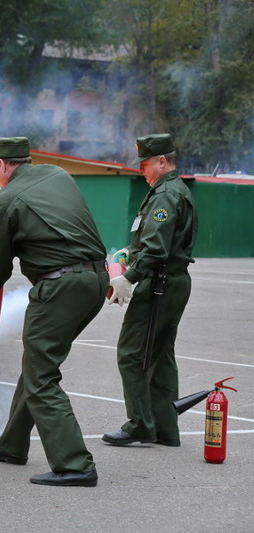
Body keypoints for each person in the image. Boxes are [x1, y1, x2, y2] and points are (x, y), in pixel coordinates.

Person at [0, 137, 109, 487]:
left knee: (42, 375)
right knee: (37, 364)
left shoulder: (6, 199)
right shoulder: (58, 175)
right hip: (95, 280)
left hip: (59, 287)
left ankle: (75, 464)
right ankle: (12, 445)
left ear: (1, 165)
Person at [103, 133, 197, 447]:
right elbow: (155, 244)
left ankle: (141, 424)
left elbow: (156, 249)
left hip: (159, 283)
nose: (141, 169)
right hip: (171, 281)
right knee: (160, 355)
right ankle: (166, 428)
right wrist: (132, 256)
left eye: (145, 163)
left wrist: (128, 278)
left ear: (161, 161)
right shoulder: (171, 191)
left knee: (132, 354)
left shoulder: (166, 195)